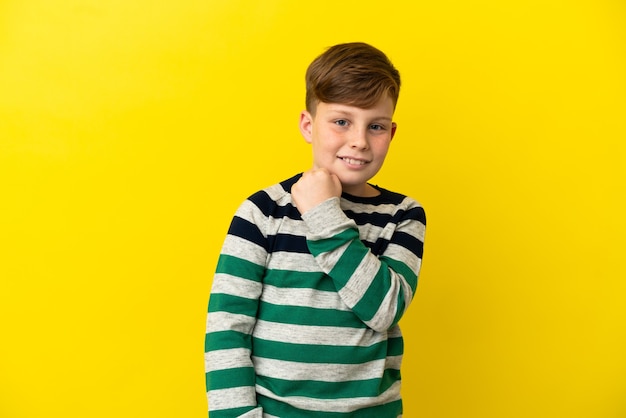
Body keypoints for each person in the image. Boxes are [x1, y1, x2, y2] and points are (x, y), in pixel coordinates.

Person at [205, 42, 426, 417]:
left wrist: (325, 216)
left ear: (392, 132)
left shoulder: (403, 215)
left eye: (376, 126)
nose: (359, 140)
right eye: (341, 121)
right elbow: (227, 326)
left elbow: (384, 310)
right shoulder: (262, 211)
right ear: (309, 126)